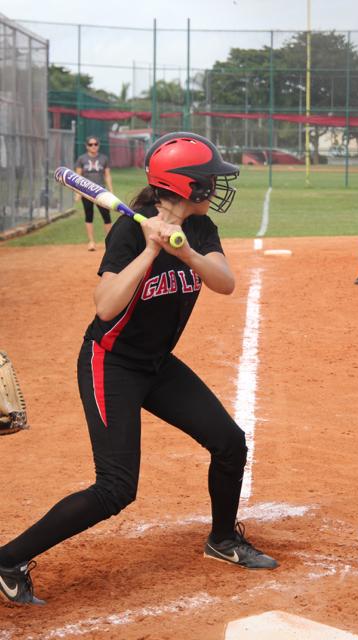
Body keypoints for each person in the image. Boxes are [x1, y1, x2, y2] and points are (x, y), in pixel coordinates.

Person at [0, 131, 278, 606]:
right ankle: (8, 559)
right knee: (115, 488)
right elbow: (106, 306)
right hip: (110, 363)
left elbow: (226, 283)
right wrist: (151, 250)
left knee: (229, 442)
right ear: (183, 185)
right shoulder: (130, 231)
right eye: (209, 180)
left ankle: (223, 540)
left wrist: (183, 250)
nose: (216, 188)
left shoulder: (200, 230)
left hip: (155, 364)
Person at [75, 136, 113, 251]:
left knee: (106, 217)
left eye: (96, 144)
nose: (93, 146)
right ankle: (91, 242)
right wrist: (78, 193)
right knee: (89, 216)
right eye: (91, 144)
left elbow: (107, 175)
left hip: (101, 192)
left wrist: (111, 191)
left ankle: (109, 243)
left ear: (98, 145)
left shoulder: (104, 158)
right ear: (87, 146)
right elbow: (78, 177)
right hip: (86, 192)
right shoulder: (82, 159)